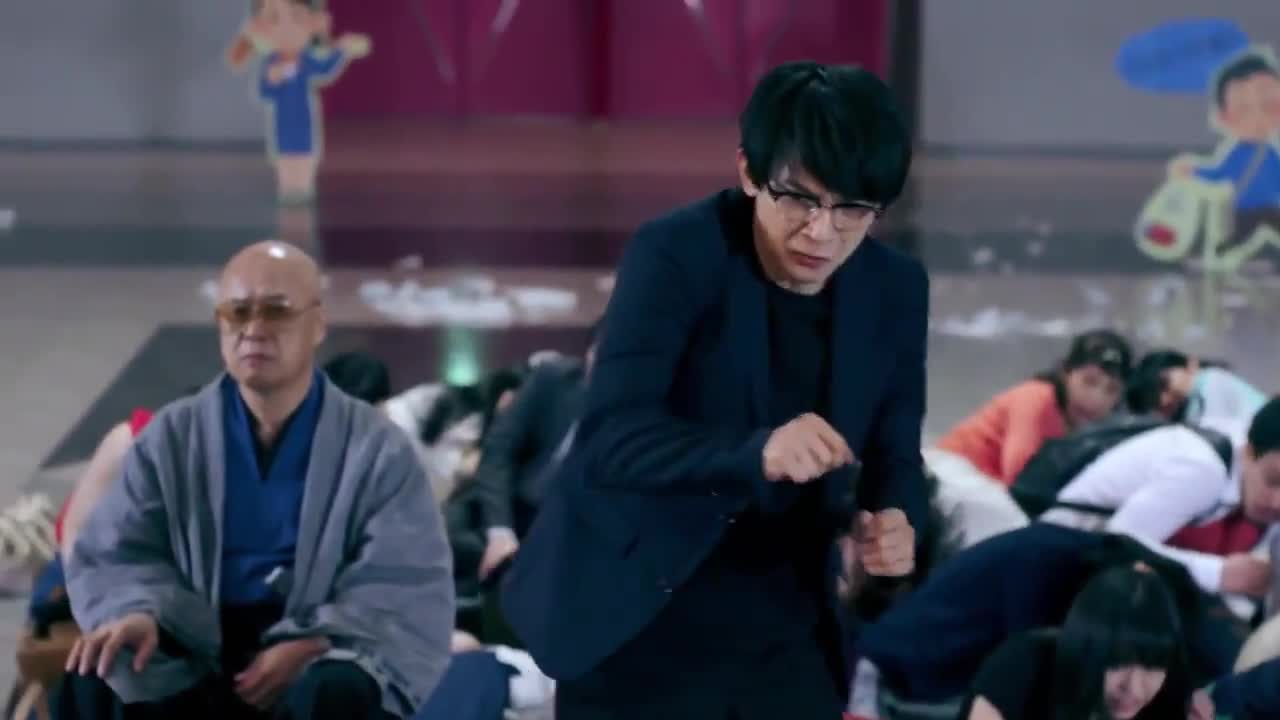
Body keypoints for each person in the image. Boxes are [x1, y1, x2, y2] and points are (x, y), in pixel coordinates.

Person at [501, 61, 927, 719]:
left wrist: (895, 520)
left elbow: (896, 450)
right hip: (640, 610)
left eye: (852, 209)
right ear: (749, 172)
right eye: (799, 198)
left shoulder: (894, 288)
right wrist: (757, 452)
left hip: (788, 625)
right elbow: (612, 440)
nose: (821, 232)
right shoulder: (676, 254)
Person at [53, 241, 453, 719]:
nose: (254, 329)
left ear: (317, 324)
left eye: (276, 311)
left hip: (315, 649)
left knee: (338, 686)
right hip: (192, 641)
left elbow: (402, 581)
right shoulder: (173, 436)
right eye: (238, 312)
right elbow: (120, 552)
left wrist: (319, 640)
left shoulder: (378, 449)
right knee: (98, 673)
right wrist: (138, 611)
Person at [851, 524, 1214, 717]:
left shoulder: (1082, 568)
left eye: (1155, 665)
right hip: (891, 679)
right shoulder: (1039, 606)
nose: (1136, 686)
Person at [1041, 396, 1280, 603]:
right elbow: (1120, 543)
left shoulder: (1233, 455)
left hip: (1081, 563)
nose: (1277, 502)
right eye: (1273, 481)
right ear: (1248, 452)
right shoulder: (1203, 469)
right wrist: (1219, 573)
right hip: (1053, 560)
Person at [965, 566, 1201, 720]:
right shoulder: (1022, 665)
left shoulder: (1169, 694)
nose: (1135, 688)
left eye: (1153, 666)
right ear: (1085, 647)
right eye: (1117, 663)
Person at [934, 329, 1133, 487]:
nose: (1097, 398)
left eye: (1112, 390)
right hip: (945, 482)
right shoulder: (1036, 398)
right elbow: (1022, 482)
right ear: (1065, 373)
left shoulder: (1098, 430)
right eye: (1089, 382)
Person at [472, 334, 596, 580]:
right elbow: (498, 450)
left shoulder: (647, 406)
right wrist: (500, 532)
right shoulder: (554, 378)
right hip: (520, 512)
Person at [1173, 51, 1280, 261]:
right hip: (1246, 208)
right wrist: (1194, 171)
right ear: (1223, 117)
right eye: (1244, 110)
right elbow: (1220, 173)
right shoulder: (1238, 153)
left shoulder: (1269, 152)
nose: (1258, 117)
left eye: (1268, 106)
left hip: (1270, 206)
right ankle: (1220, 252)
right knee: (1241, 235)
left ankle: (1223, 252)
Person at [1126, 349, 1266, 436]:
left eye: (1164, 384)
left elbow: (1214, 437)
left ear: (1190, 365)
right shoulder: (1191, 410)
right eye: (1154, 402)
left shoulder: (1211, 380)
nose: (1164, 400)